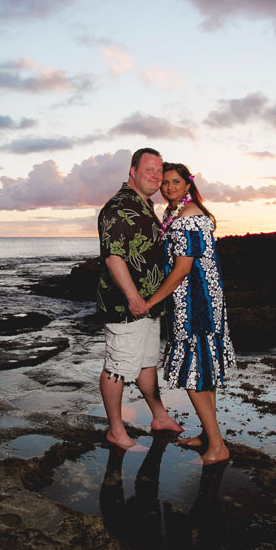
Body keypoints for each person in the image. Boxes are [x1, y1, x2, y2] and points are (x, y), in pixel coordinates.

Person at [143, 162, 236, 463]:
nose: (169, 187)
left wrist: (151, 301)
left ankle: (218, 448)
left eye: (176, 182)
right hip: (195, 298)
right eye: (165, 182)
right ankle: (209, 436)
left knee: (195, 373)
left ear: (187, 185)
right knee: (203, 371)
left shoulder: (190, 218)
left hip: (197, 301)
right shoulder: (175, 214)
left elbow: (183, 268)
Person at [97, 148, 183, 448]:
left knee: (146, 364)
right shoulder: (119, 207)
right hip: (126, 307)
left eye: (159, 171)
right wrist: (134, 299)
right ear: (132, 171)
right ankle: (116, 430)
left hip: (149, 304)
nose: (156, 176)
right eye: (149, 169)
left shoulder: (146, 206)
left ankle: (159, 416)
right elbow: (114, 258)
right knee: (117, 367)